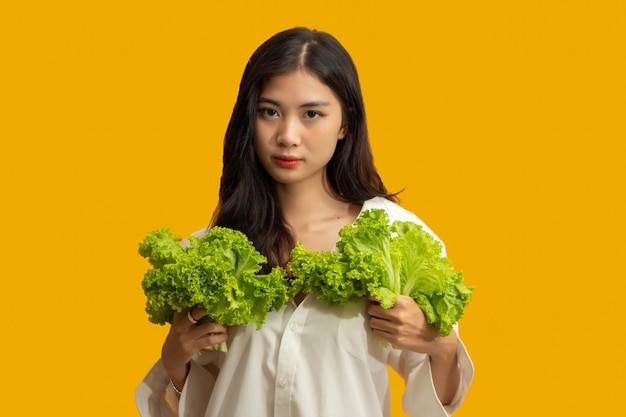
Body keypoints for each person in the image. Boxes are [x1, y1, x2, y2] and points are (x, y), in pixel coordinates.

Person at [136, 27, 473, 417]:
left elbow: (434, 404)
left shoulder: (397, 239)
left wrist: (441, 344)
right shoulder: (213, 251)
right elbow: (193, 401)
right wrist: (174, 358)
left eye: (312, 113)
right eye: (270, 112)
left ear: (345, 123)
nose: (287, 136)